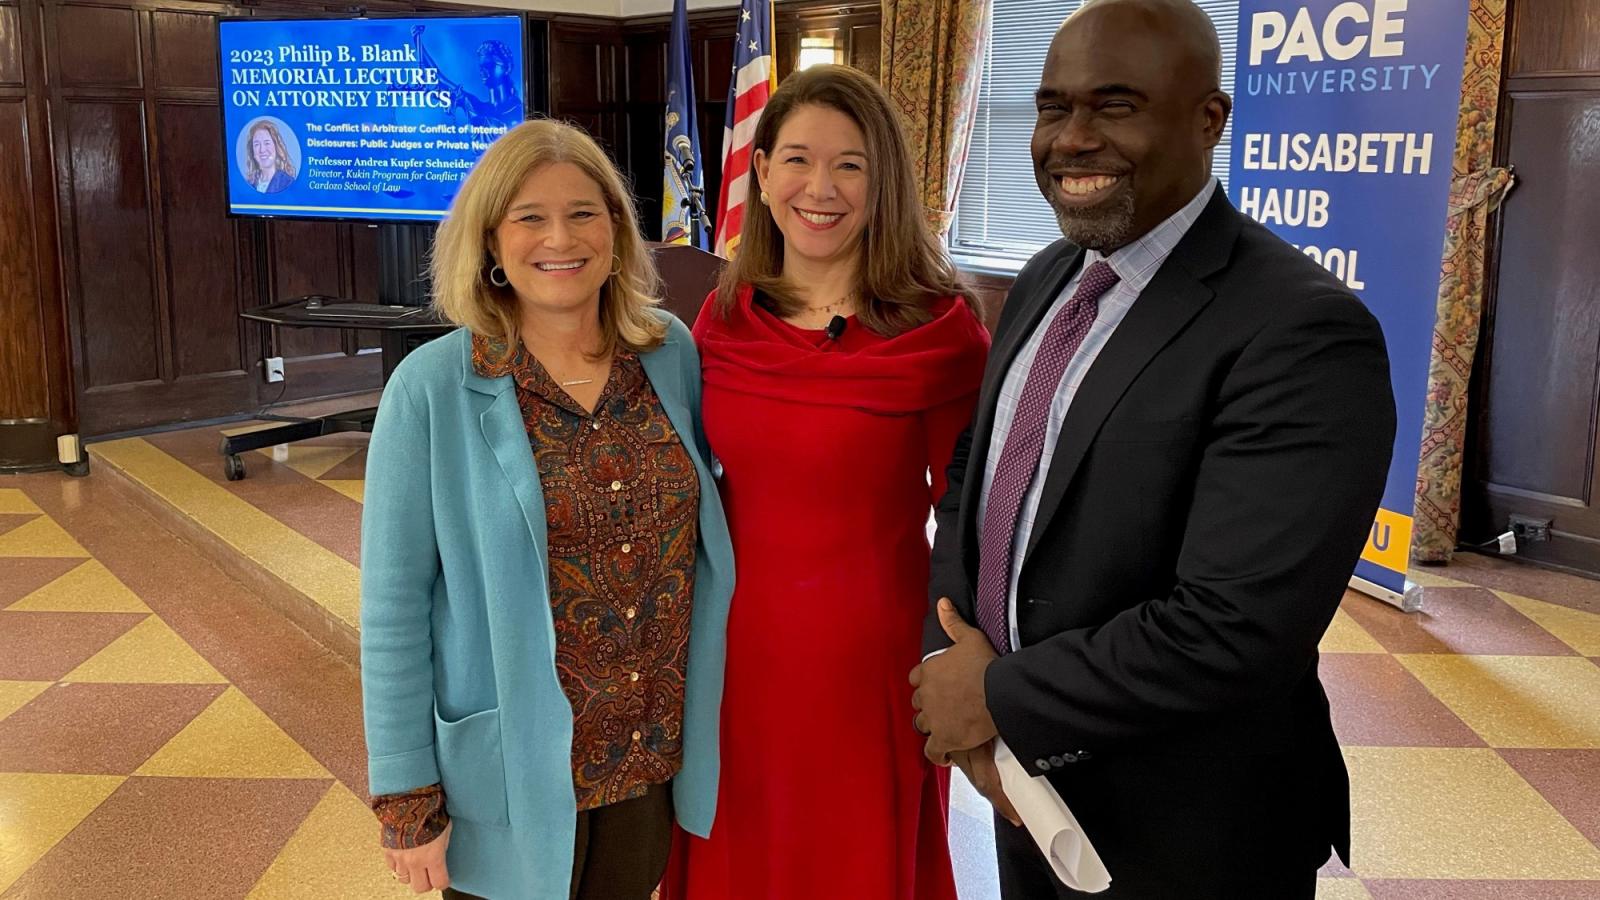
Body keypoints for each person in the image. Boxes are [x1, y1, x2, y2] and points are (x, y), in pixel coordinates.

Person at [908, 0, 1396, 897]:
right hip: (1027, 798)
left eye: (1116, 105)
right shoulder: (1049, 274)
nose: (1072, 138)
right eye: (1054, 107)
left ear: (1209, 119)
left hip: (1187, 831)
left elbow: (1234, 627)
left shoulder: (1303, 331)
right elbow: (979, 477)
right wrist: (955, 661)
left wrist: (1000, 698)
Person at [360, 118, 734, 900]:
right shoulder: (431, 389)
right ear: (491, 242)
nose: (559, 237)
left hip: (644, 760)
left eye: (583, 212)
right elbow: (393, 610)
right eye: (529, 216)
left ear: (617, 230)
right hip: (508, 772)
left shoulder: (670, 352)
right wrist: (406, 799)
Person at [661, 64, 990, 900]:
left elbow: (977, 521)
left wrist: (974, 669)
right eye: (799, 159)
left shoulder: (938, 332)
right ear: (762, 172)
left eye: (851, 164)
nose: (822, 187)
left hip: (870, 665)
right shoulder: (723, 318)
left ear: (884, 183)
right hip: (732, 656)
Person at [245, 120, 295, 194]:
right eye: (257, 144)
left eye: (267, 143)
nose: (262, 150)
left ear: (276, 147)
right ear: (252, 151)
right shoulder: (248, 184)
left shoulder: (287, 183)